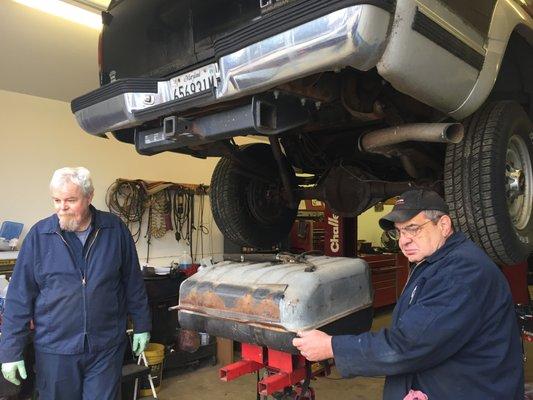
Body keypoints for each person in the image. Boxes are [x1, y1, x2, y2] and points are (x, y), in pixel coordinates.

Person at [293, 189, 524, 399]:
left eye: (413, 229)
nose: (404, 241)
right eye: (400, 232)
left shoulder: (462, 273)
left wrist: (332, 346)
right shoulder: (435, 262)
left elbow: (407, 345)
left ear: (443, 225)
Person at [0, 167, 151, 400]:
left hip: (105, 347)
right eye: (57, 200)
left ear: (89, 197)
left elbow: (133, 282)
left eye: (71, 200)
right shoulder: (39, 237)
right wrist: (10, 351)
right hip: (55, 350)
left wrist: (142, 324)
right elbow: (19, 297)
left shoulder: (114, 230)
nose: (62, 207)